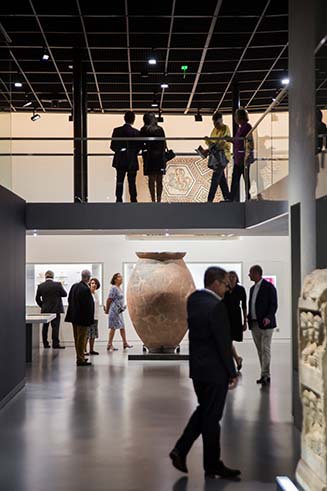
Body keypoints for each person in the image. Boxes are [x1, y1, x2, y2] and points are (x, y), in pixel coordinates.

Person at [170, 267, 240, 480]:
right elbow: (222, 341)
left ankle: (188, 454)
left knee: (205, 413)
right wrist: (232, 371)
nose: (228, 290)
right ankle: (208, 463)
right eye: (226, 285)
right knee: (212, 417)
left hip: (198, 371)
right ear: (216, 283)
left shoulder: (194, 300)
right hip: (215, 372)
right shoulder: (216, 307)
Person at [248, 265, 278, 386]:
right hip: (255, 323)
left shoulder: (269, 287)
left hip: (266, 324)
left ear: (257, 273)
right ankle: (265, 374)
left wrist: (268, 317)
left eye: (250, 273)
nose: (249, 275)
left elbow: (274, 304)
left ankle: (264, 375)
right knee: (260, 350)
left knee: (265, 349)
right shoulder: (252, 288)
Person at [65, 270, 94, 367]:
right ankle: (80, 359)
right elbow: (88, 306)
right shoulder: (85, 289)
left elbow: (69, 300)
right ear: (89, 278)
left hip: (74, 317)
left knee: (77, 338)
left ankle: (80, 356)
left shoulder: (74, 286)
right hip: (82, 318)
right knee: (81, 339)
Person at [110, 111, 141, 203]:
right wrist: (132, 153)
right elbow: (138, 147)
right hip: (132, 160)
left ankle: (118, 199)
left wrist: (120, 151)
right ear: (133, 120)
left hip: (120, 160)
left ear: (124, 118)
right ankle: (133, 199)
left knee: (119, 181)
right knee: (132, 182)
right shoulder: (136, 133)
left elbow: (112, 146)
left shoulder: (117, 131)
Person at [35, 270, 67, 349]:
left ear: (45, 276)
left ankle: (45, 344)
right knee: (55, 327)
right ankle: (55, 344)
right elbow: (64, 294)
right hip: (56, 309)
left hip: (45, 310)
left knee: (45, 327)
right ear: (53, 276)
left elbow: (37, 298)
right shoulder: (58, 285)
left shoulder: (41, 286)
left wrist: (42, 305)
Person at [205, 111, 231, 202]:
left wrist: (211, 144)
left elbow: (221, 143)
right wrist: (208, 146)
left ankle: (210, 199)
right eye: (214, 123)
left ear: (221, 120)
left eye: (217, 123)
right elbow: (213, 144)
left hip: (223, 156)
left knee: (215, 178)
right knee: (221, 179)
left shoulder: (225, 128)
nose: (215, 125)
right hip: (216, 157)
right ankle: (227, 197)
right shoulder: (214, 130)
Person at [223, 271, 247, 371]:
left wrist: (245, 321)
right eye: (230, 277)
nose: (232, 278)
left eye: (234, 276)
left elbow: (244, 306)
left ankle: (235, 360)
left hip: (235, 317)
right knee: (227, 341)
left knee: (228, 341)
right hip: (225, 317)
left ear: (237, 278)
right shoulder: (224, 289)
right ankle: (237, 359)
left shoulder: (240, 289)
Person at [140, 112, 166, 202]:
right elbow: (163, 143)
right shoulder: (160, 129)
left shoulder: (143, 129)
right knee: (159, 179)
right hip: (159, 157)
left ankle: (153, 200)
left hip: (149, 157)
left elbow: (141, 144)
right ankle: (159, 199)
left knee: (151, 179)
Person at [104, 273, 133, 352]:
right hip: (114, 310)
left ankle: (125, 343)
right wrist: (107, 309)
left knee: (122, 327)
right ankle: (109, 344)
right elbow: (109, 299)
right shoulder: (113, 288)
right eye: (119, 277)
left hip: (119, 311)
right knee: (113, 327)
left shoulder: (119, 288)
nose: (121, 278)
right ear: (115, 279)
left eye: (121, 277)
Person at [230, 108, 254, 201]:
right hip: (238, 158)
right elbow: (238, 142)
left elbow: (246, 142)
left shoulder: (247, 127)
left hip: (243, 158)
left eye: (236, 116)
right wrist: (232, 140)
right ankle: (233, 198)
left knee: (243, 178)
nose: (235, 118)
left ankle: (246, 196)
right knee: (237, 179)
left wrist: (247, 156)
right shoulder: (240, 128)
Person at [85, 277, 101, 356]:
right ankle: (84, 349)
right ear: (89, 284)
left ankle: (91, 349)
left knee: (93, 334)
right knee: (87, 334)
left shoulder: (96, 294)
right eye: (92, 283)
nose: (94, 285)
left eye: (95, 283)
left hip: (95, 316)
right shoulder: (88, 294)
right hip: (88, 317)